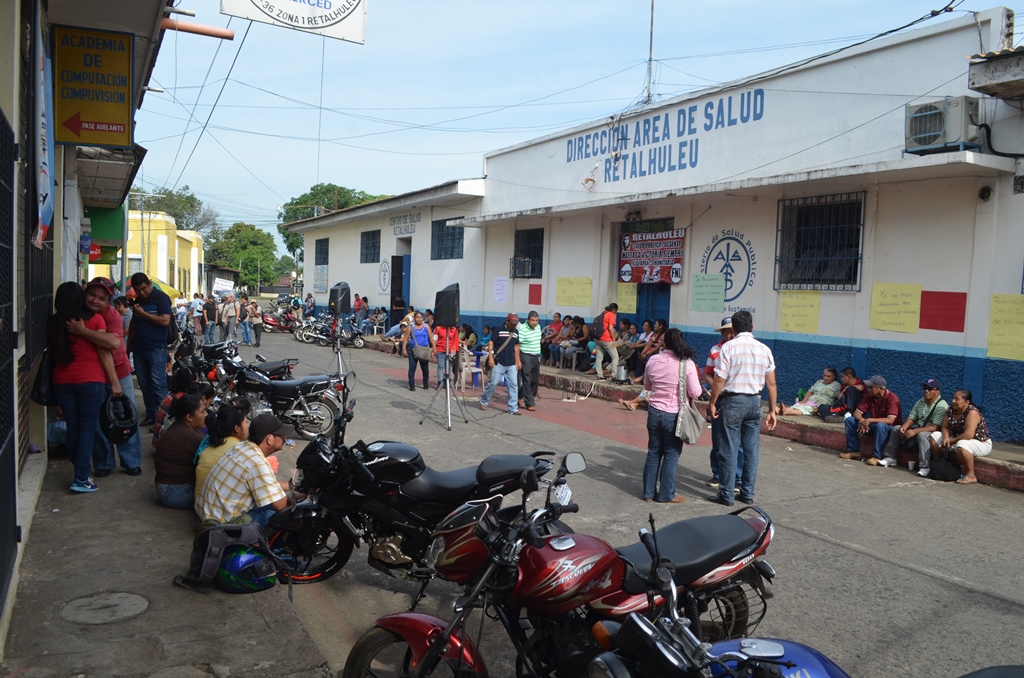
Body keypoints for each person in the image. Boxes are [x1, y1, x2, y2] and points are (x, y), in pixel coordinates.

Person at [69, 277, 143, 477]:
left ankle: (131, 461)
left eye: (101, 298)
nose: (95, 300)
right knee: (97, 421)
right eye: (92, 295)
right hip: (92, 376)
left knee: (127, 416)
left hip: (119, 371)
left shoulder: (112, 316)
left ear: (108, 301)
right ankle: (103, 463)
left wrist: (82, 331)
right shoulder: (78, 314)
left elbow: (112, 344)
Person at [51, 281, 120, 493]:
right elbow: (108, 348)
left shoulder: (53, 322)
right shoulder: (94, 319)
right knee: (87, 430)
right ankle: (81, 478)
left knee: (73, 427)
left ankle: (80, 471)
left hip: (62, 381)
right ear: (81, 297)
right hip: (90, 381)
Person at [707, 311, 777, 507]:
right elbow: (771, 384)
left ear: (734, 329)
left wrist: (712, 402)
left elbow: (719, 379)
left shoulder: (728, 348)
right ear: (752, 327)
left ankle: (727, 494)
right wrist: (772, 410)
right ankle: (747, 492)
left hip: (733, 402)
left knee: (728, 448)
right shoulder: (764, 349)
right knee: (751, 449)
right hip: (755, 402)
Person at [195, 413, 293, 527]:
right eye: (281, 434)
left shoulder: (241, 447)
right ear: (269, 438)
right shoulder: (258, 463)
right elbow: (282, 506)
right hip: (221, 525)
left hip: (207, 514)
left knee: (270, 502)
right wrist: (299, 496)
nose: (285, 437)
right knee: (282, 517)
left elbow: (268, 486)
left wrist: (292, 486)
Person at [642, 328, 702, 503]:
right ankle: (667, 494)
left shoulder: (653, 360)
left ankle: (648, 493)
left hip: (654, 411)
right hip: (675, 415)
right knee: (671, 454)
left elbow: (647, 385)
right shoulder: (687, 364)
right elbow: (696, 392)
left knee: (653, 452)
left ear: (664, 342)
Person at [703, 317, 742, 494]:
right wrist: (717, 390)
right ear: (722, 333)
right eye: (727, 331)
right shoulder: (715, 350)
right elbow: (708, 375)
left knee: (738, 441)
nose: (731, 334)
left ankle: (738, 478)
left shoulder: (743, 348)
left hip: (737, 398)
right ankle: (718, 474)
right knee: (718, 438)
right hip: (720, 398)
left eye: (733, 330)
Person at [128, 273, 171, 426]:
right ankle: (152, 415)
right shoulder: (138, 300)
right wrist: (128, 347)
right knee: (145, 384)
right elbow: (134, 323)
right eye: (138, 290)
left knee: (158, 384)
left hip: (156, 348)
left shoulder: (161, 298)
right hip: (139, 348)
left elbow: (165, 321)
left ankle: (164, 421)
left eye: (144, 288)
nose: (142, 293)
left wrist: (142, 313)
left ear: (150, 283)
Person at [878, 378, 948, 472]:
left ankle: (924, 466)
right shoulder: (921, 401)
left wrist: (914, 431)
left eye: (930, 389)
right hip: (918, 428)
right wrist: (905, 427)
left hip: (932, 433)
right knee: (896, 429)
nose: (926, 391)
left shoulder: (942, 406)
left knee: (922, 435)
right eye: (925, 388)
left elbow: (935, 426)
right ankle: (891, 457)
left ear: (938, 392)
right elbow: (912, 417)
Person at [154, 393, 206, 509]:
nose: (206, 415)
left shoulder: (181, 427)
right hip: (174, 492)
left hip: (168, 488)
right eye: (202, 412)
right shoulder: (188, 436)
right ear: (189, 417)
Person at [929, 389, 991, 484]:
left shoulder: (972, 412)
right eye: (953, 398)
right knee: (935, 436)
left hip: (979, 442)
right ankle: (940, 465)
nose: (953, 401)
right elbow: (945, 426)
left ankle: (971, 475)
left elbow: (968, 434)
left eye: (957, 399)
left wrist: (951, 441)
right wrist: (946, 437)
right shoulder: (951, 409)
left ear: (966, 402)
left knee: (962, 444)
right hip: (957, 440)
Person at [194, 400, 252, 497]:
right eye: (246, 422)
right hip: (216, 507)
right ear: (237, 428)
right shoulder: (239, 449)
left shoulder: (209, 444)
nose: (248, 425)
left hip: (199, 501)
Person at [840, 375, 903, 465]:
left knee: (880, 425)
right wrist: (863, 421)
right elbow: (856, 413)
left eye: (871, 387)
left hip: (888, 429)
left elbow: (890, 420)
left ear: (880, 388)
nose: (869, 389)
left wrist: (869, 420)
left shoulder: (892, 398)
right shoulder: (869, 396)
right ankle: (854, 451)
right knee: (850, 420)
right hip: (873, 426)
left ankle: (876, 456)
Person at [480, 313, 521, 415]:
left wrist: (518, 361)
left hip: (511, 363)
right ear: (507, 321)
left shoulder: (515, 332)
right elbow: (491, 342)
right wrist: (490, 357)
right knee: (493, 382)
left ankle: (513, 408)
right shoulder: (498, 329)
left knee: (514, 385)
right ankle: (484, 400)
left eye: (515, 324)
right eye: (512, 324)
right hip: (499, 361)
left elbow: (516, 346)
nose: (514, 326)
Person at [402, 311, 435, 391]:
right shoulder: (411, 327)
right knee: (412, 367)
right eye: (417, 317)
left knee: (425, 369)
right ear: (414, 318)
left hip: (424, 350)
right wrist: (404, 349)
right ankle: (411, 384)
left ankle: (425, 383)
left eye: (420, 317)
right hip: (412, 350)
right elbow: (406, 338)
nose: (419, 319)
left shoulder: (426, 326)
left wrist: (434, 348)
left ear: (422, 318)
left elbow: (431, 338)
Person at [517, 311, 542, 412]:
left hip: (536, 356)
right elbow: (518, 345)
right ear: (528, 320)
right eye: (532, 320)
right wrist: (518, 360)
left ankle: (519, 395)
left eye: (536, 320)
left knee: (534, 380)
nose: (534, 323)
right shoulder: (522, 329)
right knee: (526, 379)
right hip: (525, 355)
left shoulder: (539, 327)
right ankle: (529, 402)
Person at [586, 303, 618, 378]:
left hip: (597, 338)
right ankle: (614, 376)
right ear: (614, 310)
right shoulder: (611, 315)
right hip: (606, 338)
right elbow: (610, 328)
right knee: (615, 357)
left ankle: (599, 375)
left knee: (599, 357)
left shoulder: (602, 314)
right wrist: (613, 340)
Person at [632, 318, 667, 383]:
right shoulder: (654, 334)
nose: (654, 326)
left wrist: (647, 354)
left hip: (658, 353)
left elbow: (657, 347)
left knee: (649, 358)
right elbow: (649, 343)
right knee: (641, 356)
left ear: (661, 326)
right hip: (651, 351)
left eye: (656, 324)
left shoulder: (663, 335)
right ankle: (637, 375)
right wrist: (643, 353)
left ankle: (646, 378)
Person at [434, 322, 460, 386]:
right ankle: (440, 381)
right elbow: (434, 339)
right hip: (440, 350)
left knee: (448, 366)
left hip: (450, 350)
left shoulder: (453, 329)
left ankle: (446, 381)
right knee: (441, 365)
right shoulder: (438, 328)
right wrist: (433, 349)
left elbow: (456, 339)